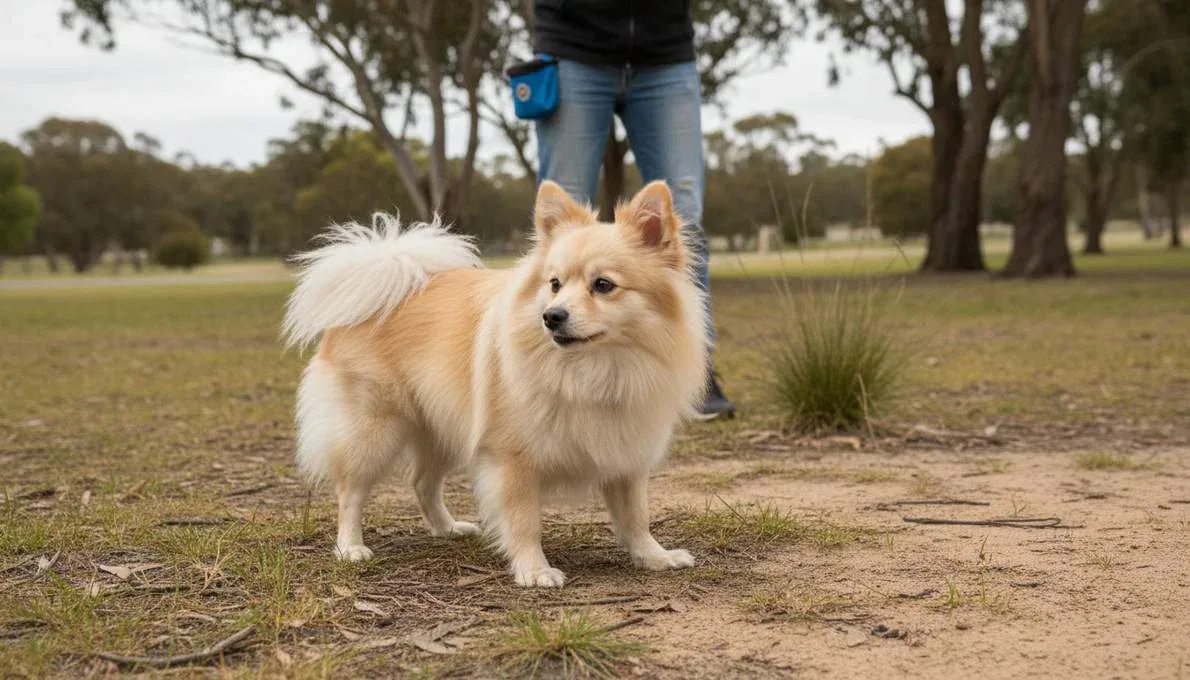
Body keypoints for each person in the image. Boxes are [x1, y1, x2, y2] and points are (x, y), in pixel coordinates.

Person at [531, 0, 736, 420]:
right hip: (572, 50)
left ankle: (696, 364)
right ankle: (538, 361)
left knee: (681, 220)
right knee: (560, 217)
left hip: (666, 53)